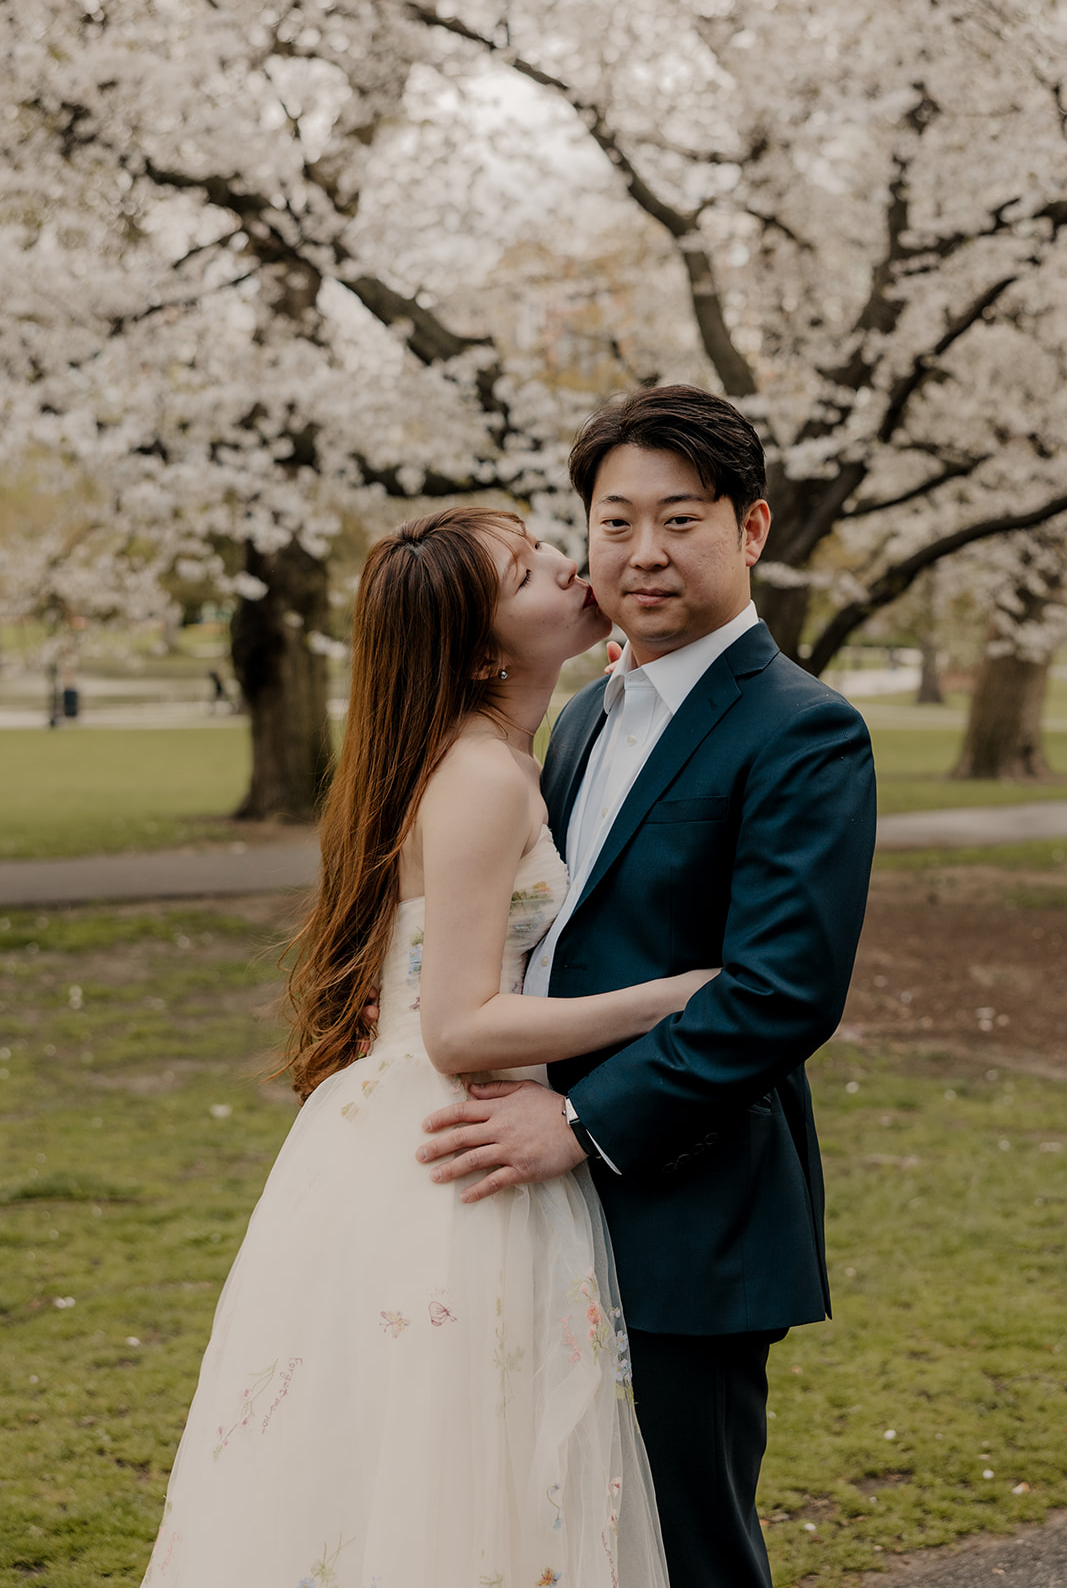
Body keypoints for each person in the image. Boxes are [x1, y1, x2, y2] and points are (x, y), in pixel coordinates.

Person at [140, 506, 716, 1588]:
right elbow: (457, 1025)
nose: (566, 563)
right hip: (450, 1144)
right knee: (455, 1460)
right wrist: (663, 1000)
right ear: (484, 647)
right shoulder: (484, 776)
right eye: (528, 572)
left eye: (549, 545)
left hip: (413, 1129)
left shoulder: (501, 752)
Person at [416, 387, 879, 1588]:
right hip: (531, 1213)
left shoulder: (802, 730)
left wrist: (577, 1121)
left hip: (688, 1206)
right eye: (613, 523)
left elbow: (780, 993)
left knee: (688, 1547)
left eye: (680, 520)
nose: (643, 553)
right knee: (562, 1543)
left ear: (753, 528)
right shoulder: (574, 723)